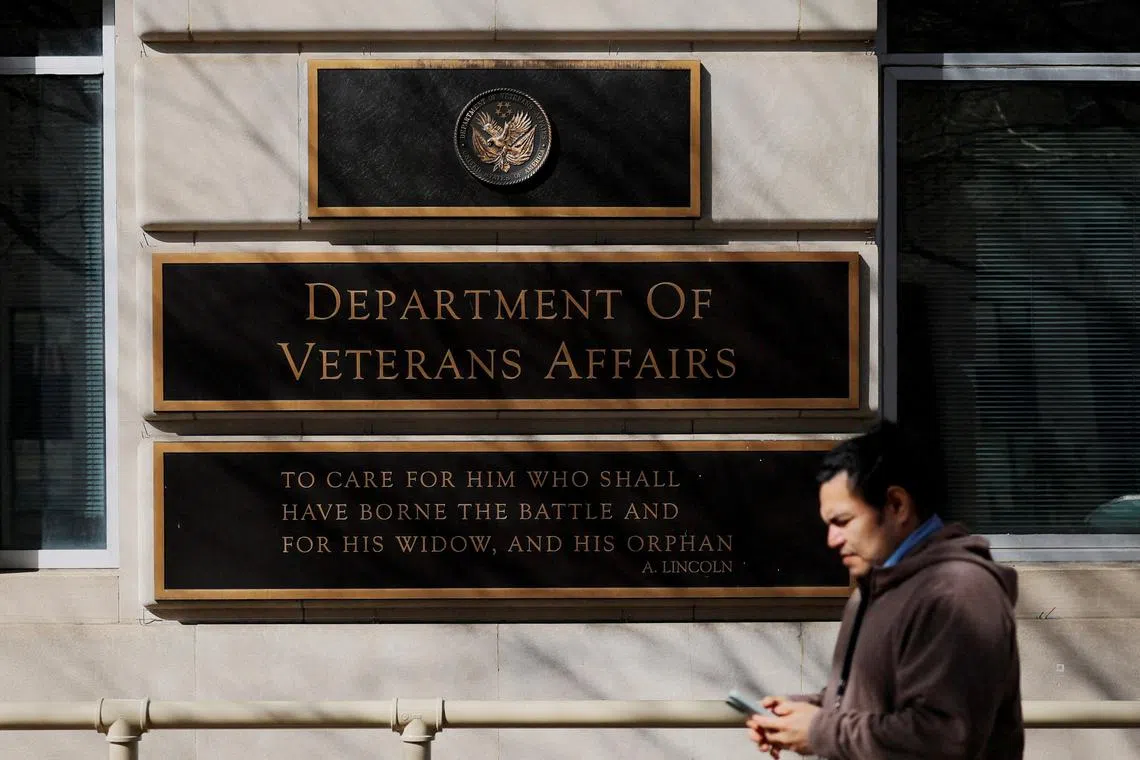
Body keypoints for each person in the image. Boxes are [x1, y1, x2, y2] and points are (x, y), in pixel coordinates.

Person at [746, 420, 1023, 759]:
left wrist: (819, 730)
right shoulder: (876, 586)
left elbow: (942, 739)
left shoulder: (957, 592)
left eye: (842, 521)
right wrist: (804, 715)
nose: (832, 540)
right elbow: (875, 703)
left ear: (896, 505)